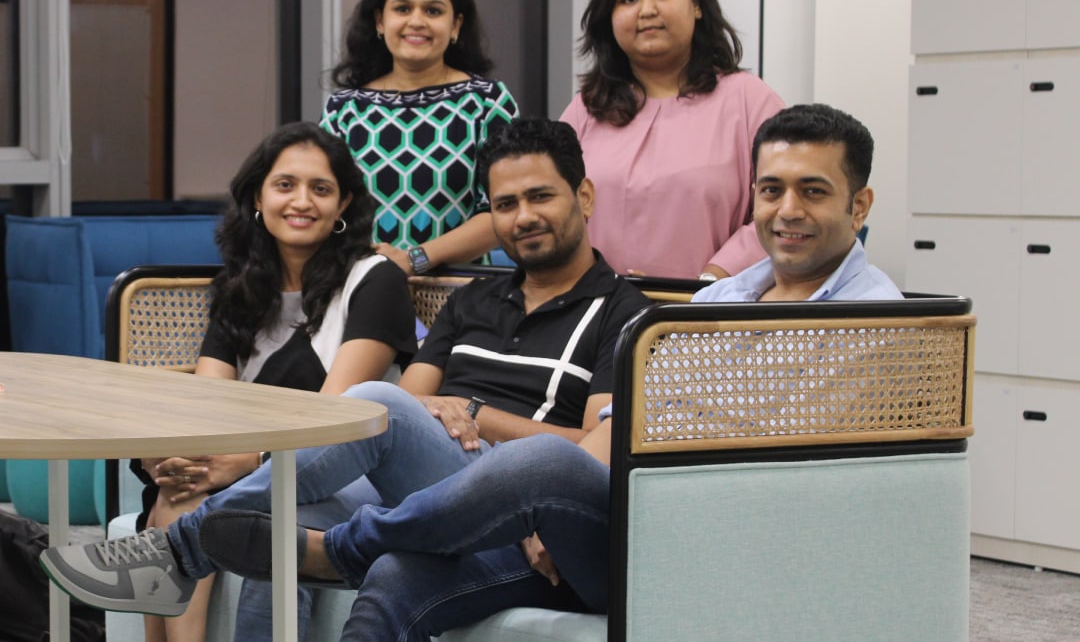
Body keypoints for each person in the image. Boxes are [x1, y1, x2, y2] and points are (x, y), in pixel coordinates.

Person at [191, 103, 904, 640]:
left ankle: (318, 549)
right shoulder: (718, 300)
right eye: (772, 190)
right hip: (582, 516)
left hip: (690, 533)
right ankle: (329, 552)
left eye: (812, 191)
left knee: (524, 459)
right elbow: (625, 424)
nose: (786, 210)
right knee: (395, 580)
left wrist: (538, 475)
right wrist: (550, 510)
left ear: (858, 204)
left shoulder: (876, 319)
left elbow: (784, 464)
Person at [39, 117, 651, 638]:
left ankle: (181, 551)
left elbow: (589, 457)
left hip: (543, 523)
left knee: (421, 443)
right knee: (300, 510)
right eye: (505, 205)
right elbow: (404, 414)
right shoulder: (473, 303)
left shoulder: (628, 317)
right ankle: (219, 548)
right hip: (443, 485)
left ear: (584, 197)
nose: (523, 217)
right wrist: (434, 410)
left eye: (540, 197)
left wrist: (474, 411)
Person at [130, 121, 418, 642]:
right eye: (285, 185)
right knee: (177, 493)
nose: (301, 201)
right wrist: (177, 459)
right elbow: (207, 407)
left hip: (353, 477)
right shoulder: (240, 289)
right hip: (255, 470)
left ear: (343, 204)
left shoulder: (376, 281)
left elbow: (335, 423)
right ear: (258, 197)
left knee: (217, 509)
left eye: (321, 188)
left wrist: (236, 465)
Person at [560, 0, 785, 280]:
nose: (647, 10)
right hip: (598, 315)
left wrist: (718, 276)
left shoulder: (751, 101)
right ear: (609, 18)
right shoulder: (585, 111)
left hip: (713, 315)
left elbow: (784, 210)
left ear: (696, 4)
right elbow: (556, 208)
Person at [321, 0, 519, 276]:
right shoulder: (344, 110)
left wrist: (413, 259)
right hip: (359, 288)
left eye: (433, 11)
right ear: (379, 21)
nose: (417, 21)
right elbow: (325, 209)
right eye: (402, 9)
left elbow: (504, 211)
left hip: (458, 297)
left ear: (455, 25)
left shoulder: (487, 102)